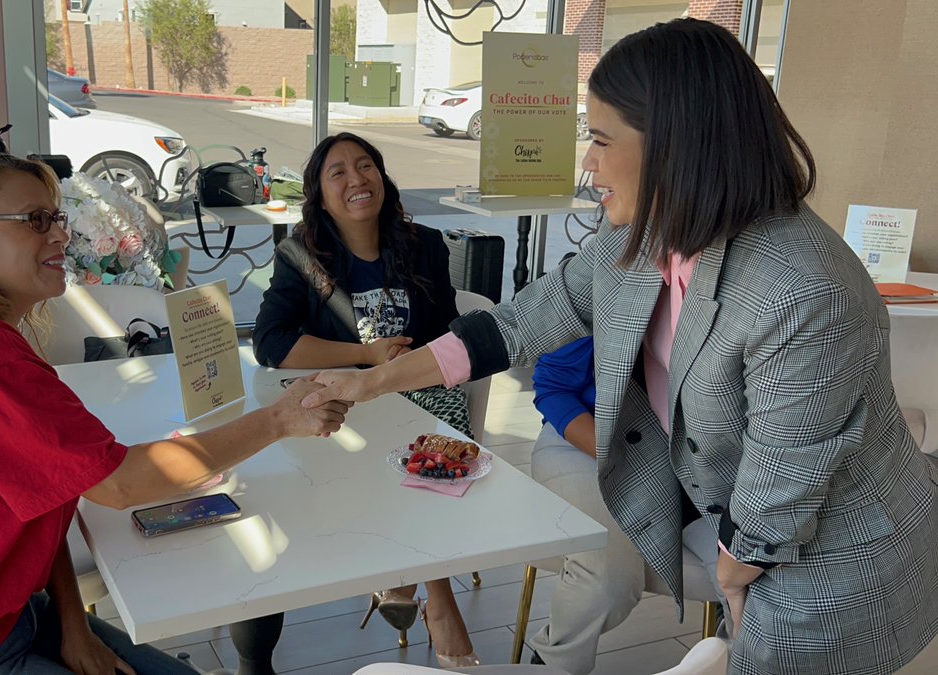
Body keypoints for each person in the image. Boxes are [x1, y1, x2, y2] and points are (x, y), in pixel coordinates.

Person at [300, 19, 938, 675]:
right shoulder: (645, 236)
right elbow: (516, 323)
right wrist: (367, 382)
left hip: (833, 564)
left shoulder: (802, 288)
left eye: (601, 140)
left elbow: (782, 486)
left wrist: (736, 573)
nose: (587, 162)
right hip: (741, 516)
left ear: (675, 146)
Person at [0, 153, 350, 674]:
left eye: (57, 218)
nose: (61, 234)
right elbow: (122, 484)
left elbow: (43, 496)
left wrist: (71, 620)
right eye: (35, 220)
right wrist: (280, 419)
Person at [251, 132, 477, 667]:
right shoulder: (302, 254)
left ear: (381, 176)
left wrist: (398, 371)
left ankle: (407, 578)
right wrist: (365, 355)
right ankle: (437, 598)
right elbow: (271, 343)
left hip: (417, 396)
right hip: (340, 405)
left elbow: (443, 333)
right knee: (403, 453)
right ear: (321, 194)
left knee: (423, 441)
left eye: (365, 166)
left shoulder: (422, 244)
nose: (356, 179)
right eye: (338, 172)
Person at [527, 336, 721, 674]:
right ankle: (552, 664)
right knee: (608, 580)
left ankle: (729, 659)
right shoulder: (608, 285)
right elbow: (554, 386)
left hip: (699, 465)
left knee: (761, 583)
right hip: (587, 440)